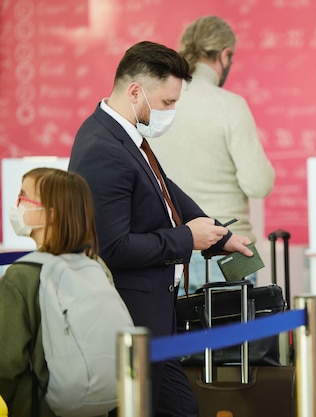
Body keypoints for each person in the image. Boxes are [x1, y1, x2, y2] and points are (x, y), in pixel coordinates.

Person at [68, 40, 253, 417]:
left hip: (156, 320)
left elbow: (167, 191)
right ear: (135, 91)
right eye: (167, 102)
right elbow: (112, 247)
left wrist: (220, 237)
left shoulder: (127, 136)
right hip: (131, 319)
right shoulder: (102, 147)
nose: (171, 112)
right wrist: (188, 239)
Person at [150, 16, 275, 292]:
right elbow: (259, 183)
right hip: (228, 253)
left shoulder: (160, 104)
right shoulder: (229, 106)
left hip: (172, 250)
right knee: (234, 335)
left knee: (178, 335)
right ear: (225, 54)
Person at [0, 167, 110, 416]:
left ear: (49, 214)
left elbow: (6, 363)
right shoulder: (97, 267)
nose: (17, 205)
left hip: (37, 407)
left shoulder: (22, 275)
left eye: (23, 197)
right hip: (96, 406)